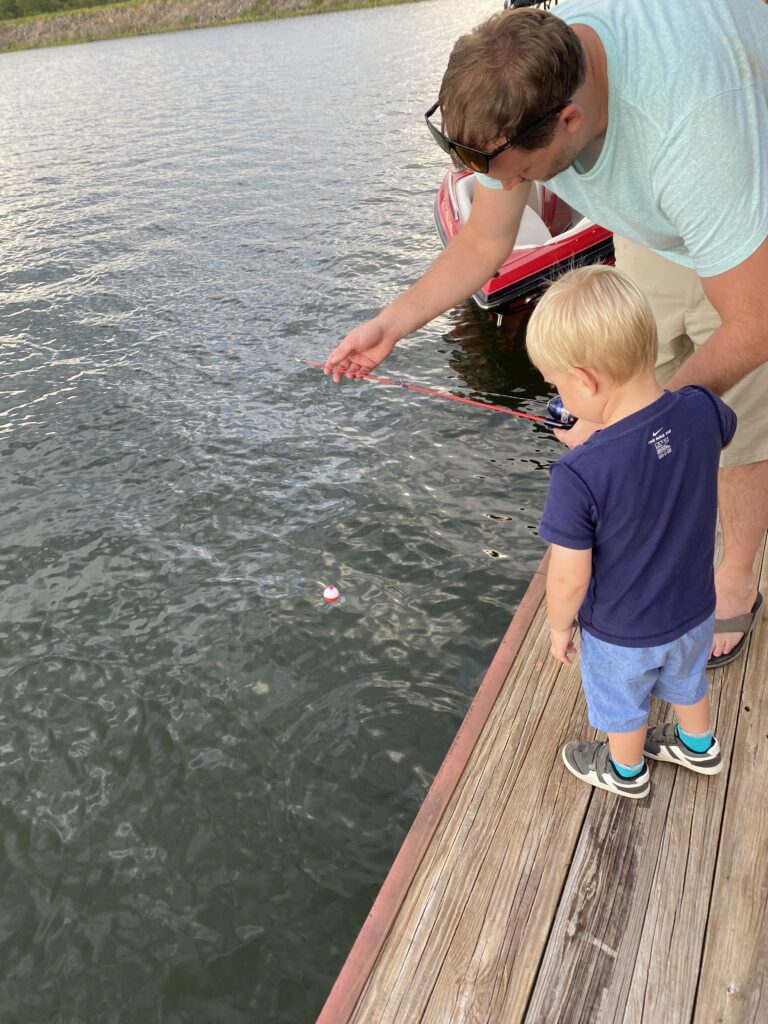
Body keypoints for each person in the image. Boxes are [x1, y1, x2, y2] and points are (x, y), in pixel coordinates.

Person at [324, 0, 768, 668]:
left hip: (741, 206)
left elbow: (756, 321)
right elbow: (484, 239)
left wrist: (631, 426)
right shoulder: (532, 84)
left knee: (739, 415)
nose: (511, 189)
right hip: (662, 214)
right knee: (638, 371)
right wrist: (391, 323)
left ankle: (736, 576)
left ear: (570, 119)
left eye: (524, 176)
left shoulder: (694, 136)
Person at [526, 265, 734, 797]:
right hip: (694, 609)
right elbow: (671, 439)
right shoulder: (702, 411)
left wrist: (557, 627)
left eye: (558, 385)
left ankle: (626, 772)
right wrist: (615, 436)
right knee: (687, 680)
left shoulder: (577, 475)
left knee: (623, 703)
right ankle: (699, 746)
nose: (561, 397)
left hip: (623, 630)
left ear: (587, 380)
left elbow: (570, 578)